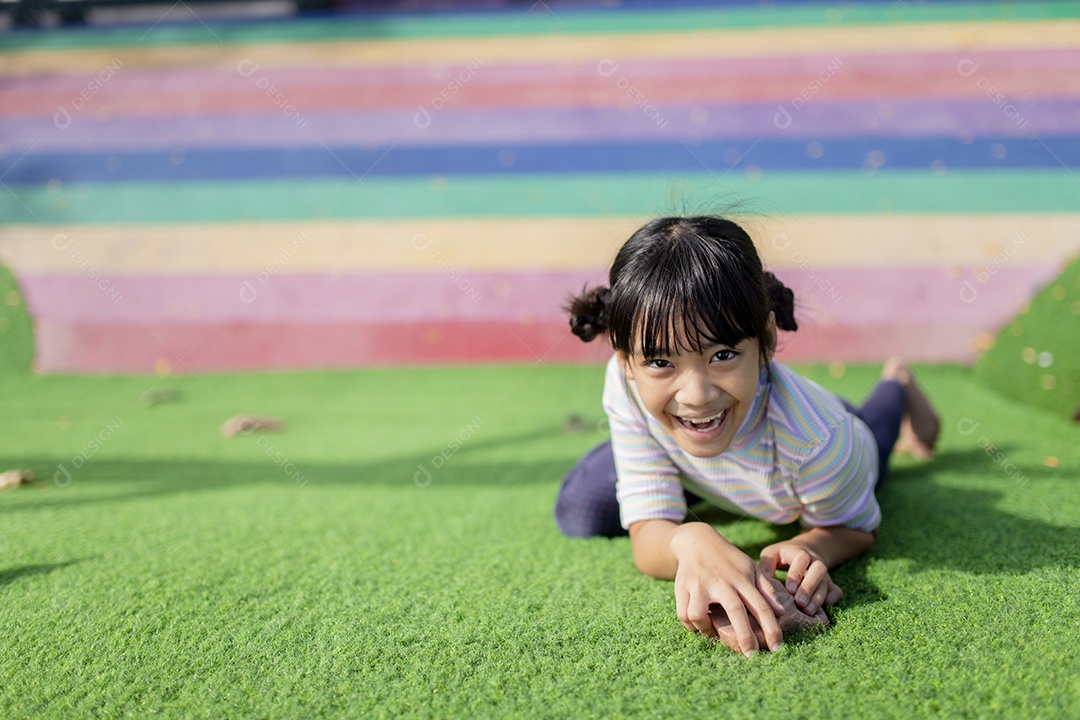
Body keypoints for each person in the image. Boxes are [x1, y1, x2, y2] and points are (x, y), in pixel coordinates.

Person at [554, 215, 939, 657]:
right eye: (661, 363)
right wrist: (691, 541)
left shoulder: (823, 442)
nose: (696, 394)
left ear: (766, 342)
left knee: (874, 444)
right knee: (582, 512)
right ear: (625, 362)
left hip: (815, 437)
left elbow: (852, 528)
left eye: (723, 354)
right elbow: (648, 535)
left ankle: (896, 383)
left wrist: (811, 545)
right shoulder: (625, 383)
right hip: (693, 446)